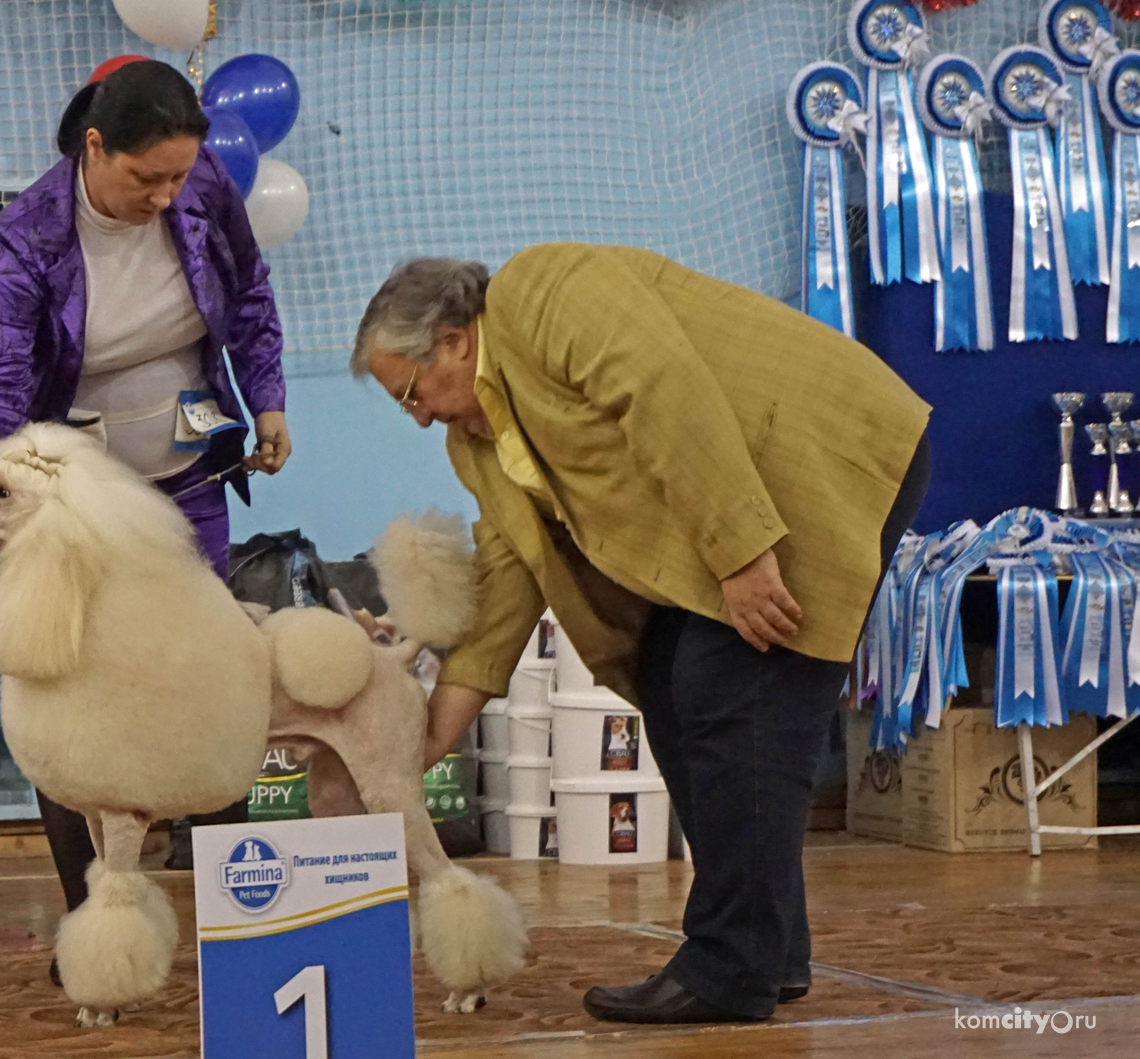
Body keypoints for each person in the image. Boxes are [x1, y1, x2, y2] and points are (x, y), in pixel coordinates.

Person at [352, 243, 930, 1024]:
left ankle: (730, 966)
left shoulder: (544, 291)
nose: (417, 415)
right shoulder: (477, 444)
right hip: (742, 512)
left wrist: (740, 550)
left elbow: (665, 389)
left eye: (410, 392)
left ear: (452, 339)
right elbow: (510, 580)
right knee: (666, 683)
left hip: (818, 457)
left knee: (731, 693)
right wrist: (420, 741)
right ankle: (769, 949)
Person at [0, 60, 290, 982]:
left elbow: (250, 297)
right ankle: (89, 933)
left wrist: (266, 401)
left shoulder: (203, 187)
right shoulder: (22, 242)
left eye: (180, 176)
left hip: (186, 486)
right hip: (78, 512)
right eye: (147, 178)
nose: (168, 195)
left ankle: (244, 930)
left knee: (217, 685)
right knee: (70, 709)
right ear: (94, 148)